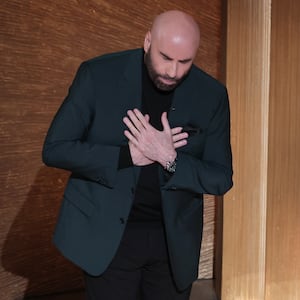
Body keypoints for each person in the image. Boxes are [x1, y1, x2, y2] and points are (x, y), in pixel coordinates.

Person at [42, 10, 233, 300]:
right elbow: (55, 148)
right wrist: (126, 155)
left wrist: (170, 159)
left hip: (172, 244)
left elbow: (221, 178)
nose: (173, 72)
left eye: (185, 62)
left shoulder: (212, 95)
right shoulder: (98, 75)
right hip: (107, 235)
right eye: (165, 57)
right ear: (147, 41)